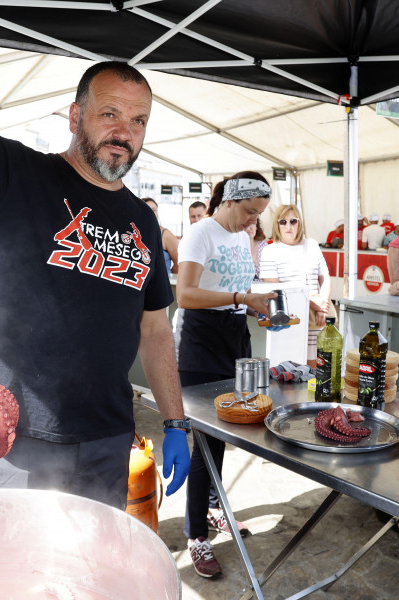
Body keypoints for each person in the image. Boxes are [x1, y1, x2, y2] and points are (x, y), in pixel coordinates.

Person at [0, 0, 190, 508]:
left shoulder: (143, 220)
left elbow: (155, 328)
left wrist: (175, 420)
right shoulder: (16, 175)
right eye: (109, 114)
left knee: (89, 576)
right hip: (13, 439)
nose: (124, 133)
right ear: (76, 116)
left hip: (106, 440)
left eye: (138, 121)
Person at [174, 172, 275, 578]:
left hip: (234, 335)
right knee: (205, 441)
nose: (253, 222)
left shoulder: (239, 235)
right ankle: (196, 536)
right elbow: (186, 294)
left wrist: (255, 309)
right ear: (229, 201)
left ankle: (214, 509)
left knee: (229, 430)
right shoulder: (201, 234)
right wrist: (240, 298)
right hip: (200, 343)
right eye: (249, 212)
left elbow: (235, 289)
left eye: (258, 216)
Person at [259, 203, 332, 368]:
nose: (288, 226)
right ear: (277, 225)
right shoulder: (270, 251)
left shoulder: (312, 244)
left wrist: (322, 306)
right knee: (290, 367)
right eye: (283, 221)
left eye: (293, 221)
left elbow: (325, 277)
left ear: (300, 223)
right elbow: (275, 291)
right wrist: (313, 304)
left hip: (318, 315)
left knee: (318, 365)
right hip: (289, 317)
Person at [144, 197, 179, 273]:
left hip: (162, 283)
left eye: (154, 210)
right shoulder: (135, 234)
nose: (152, 213)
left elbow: (179, 264)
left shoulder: (165, 235)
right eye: (148, 210)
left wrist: (167, 277)